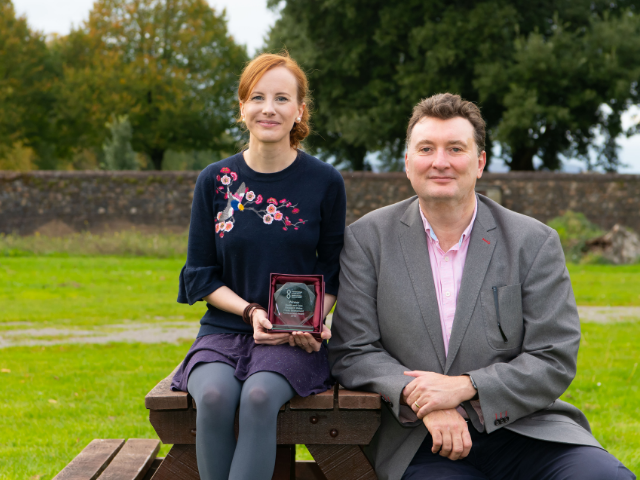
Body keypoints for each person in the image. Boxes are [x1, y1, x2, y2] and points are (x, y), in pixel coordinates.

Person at [328, 93, 635, 480]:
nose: (440, 161)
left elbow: (553, 356)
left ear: (480, 162)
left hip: (525, 428)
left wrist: (465, 389)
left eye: (456, 148)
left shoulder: (533, 241)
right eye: (426, 148)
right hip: (419, 439)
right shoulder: (366, 240)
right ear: (408, 163)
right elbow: (353, 350)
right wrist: (426, 402)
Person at [171, 52, 346, 480]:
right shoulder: (214, 180)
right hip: (225, 330)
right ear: (242, 107)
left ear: (299, 110)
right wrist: (250, 312)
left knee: (258, 398)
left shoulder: (325, 182)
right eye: (258, 97)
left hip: (291, 337)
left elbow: (334, 269)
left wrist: (313, 322)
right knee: (212, 397)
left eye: (282, 98)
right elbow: (200, 274)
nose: (269, 108)